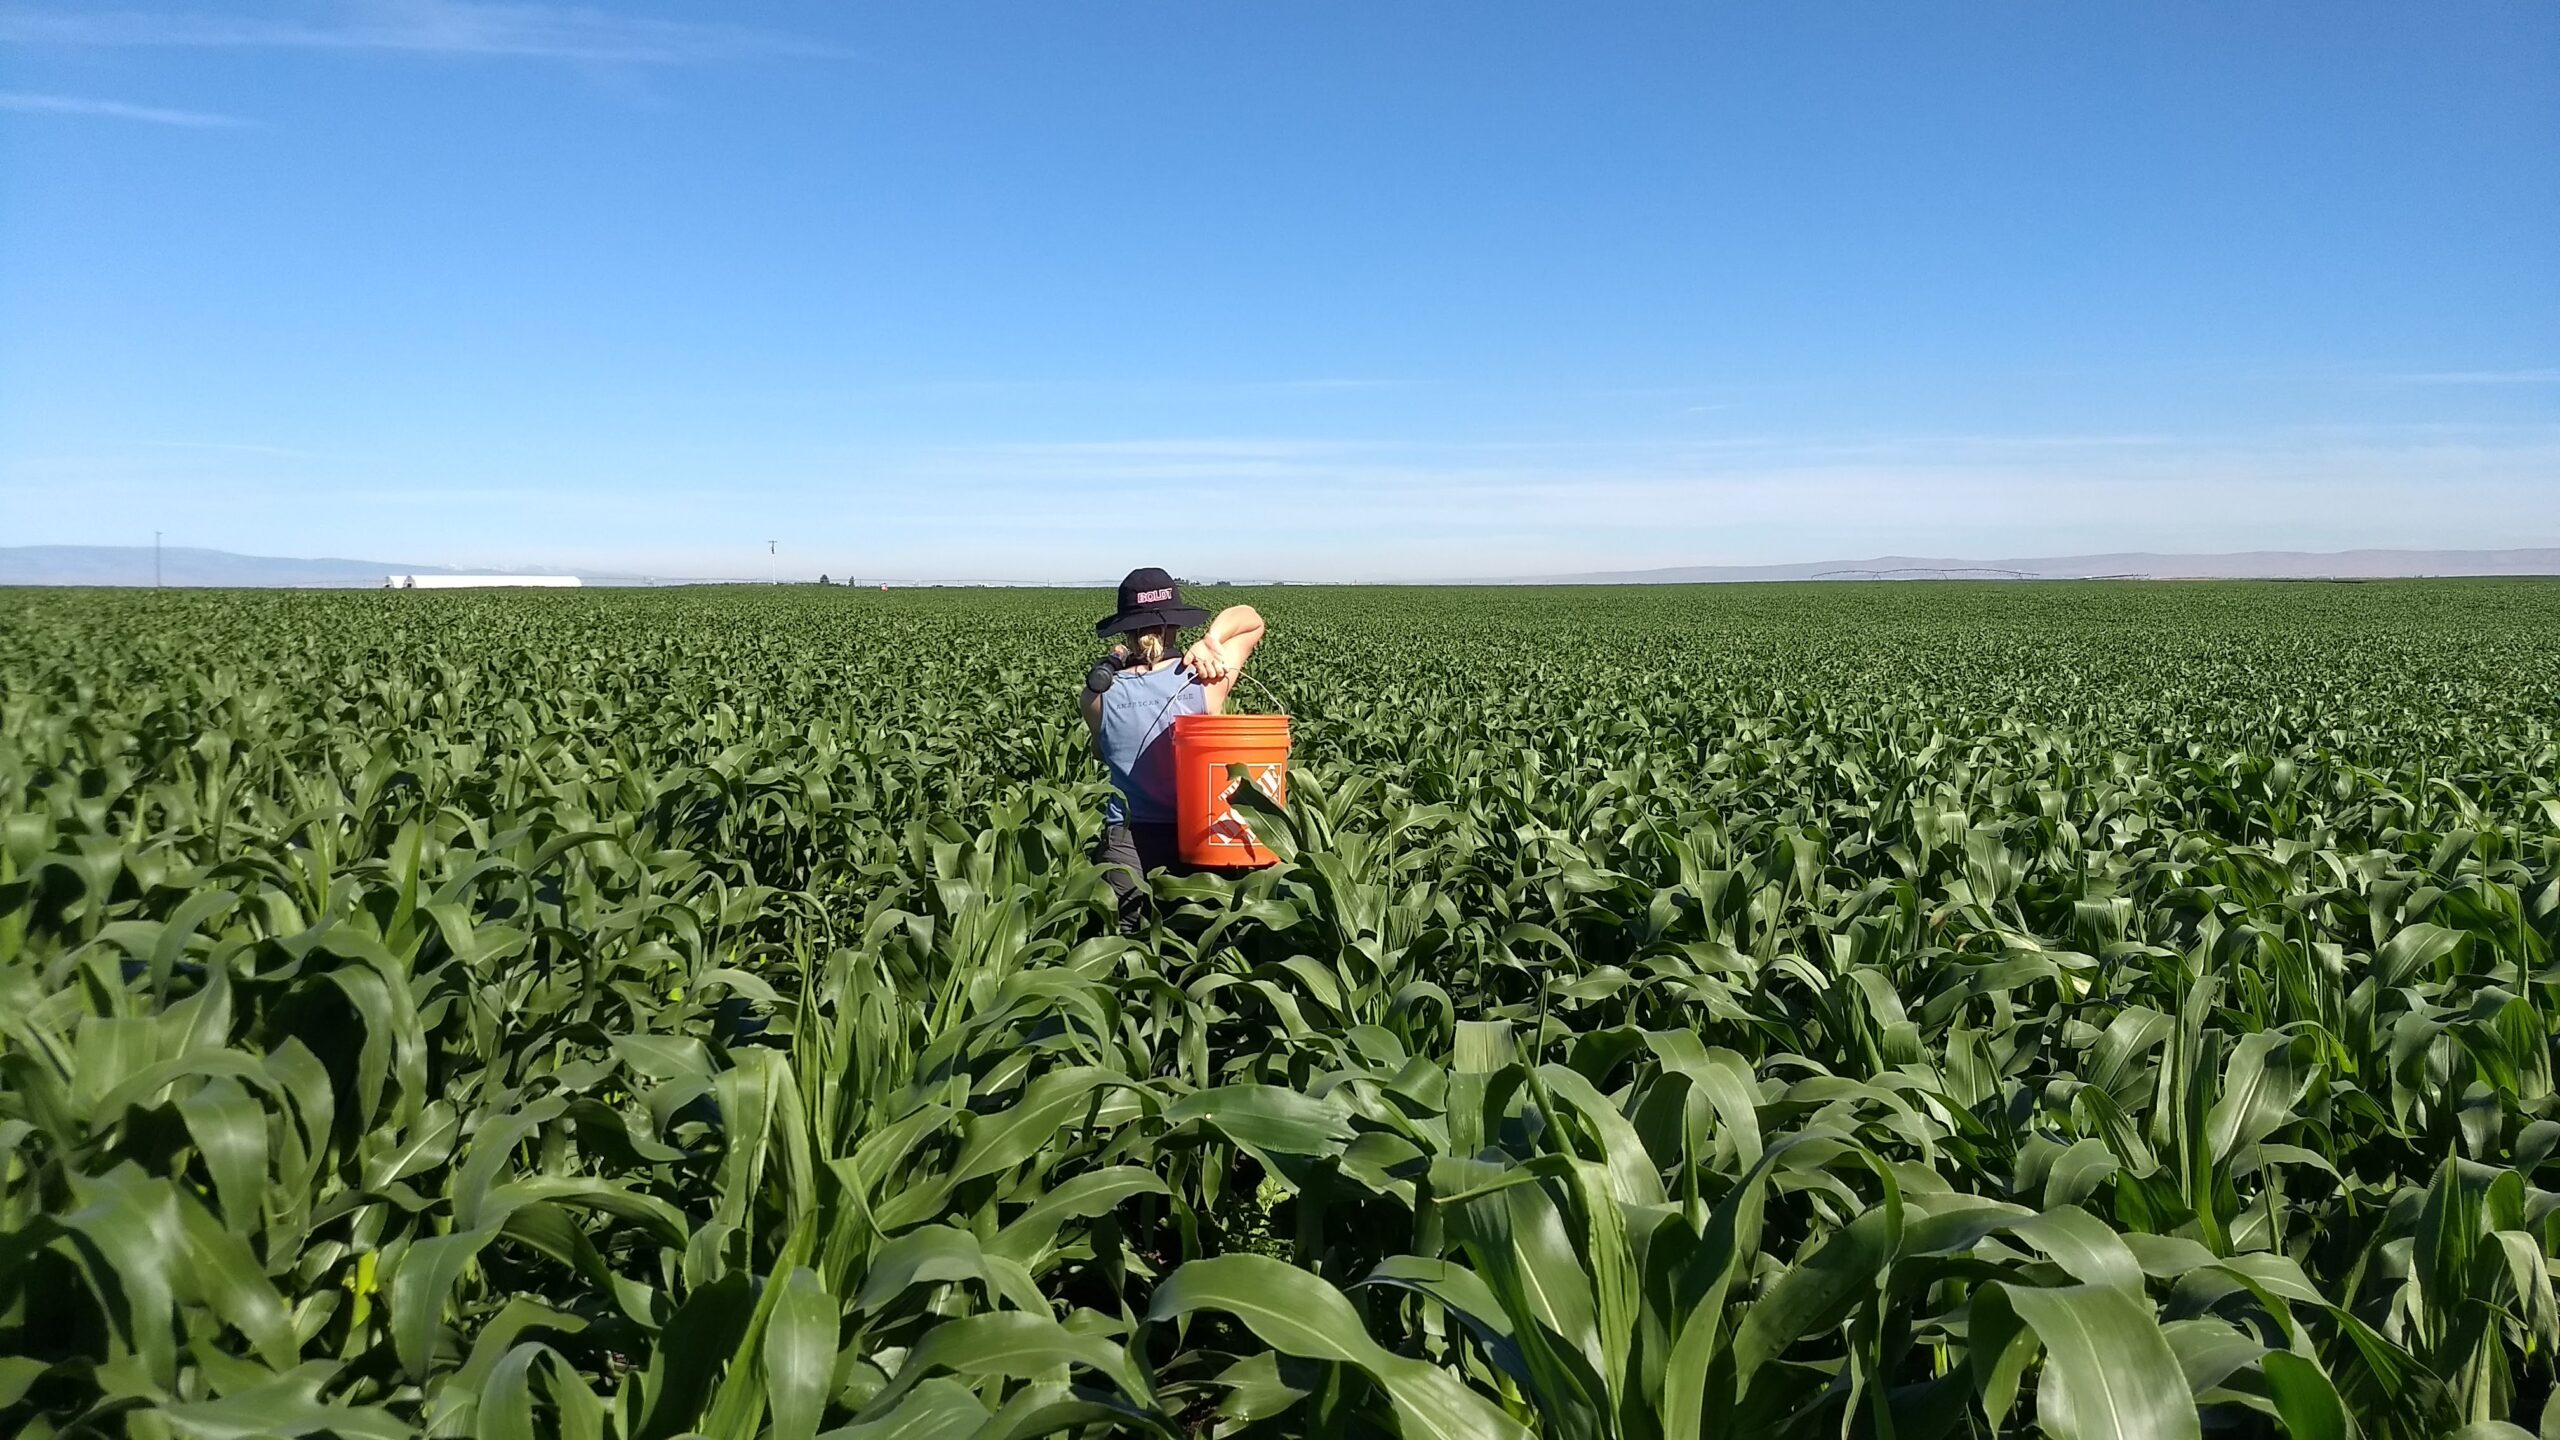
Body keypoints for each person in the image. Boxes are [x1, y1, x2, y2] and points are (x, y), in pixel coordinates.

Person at [1081, 567, 1265, 933]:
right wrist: (1211, 640)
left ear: (1127, 632)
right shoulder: (1205, 680)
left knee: (1125, 950)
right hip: (1200, 837)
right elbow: (1252, 621)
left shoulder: (1096, 696)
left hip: (1126, 842)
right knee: (1200, 946)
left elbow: (1103, 752)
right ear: (1175, 627)